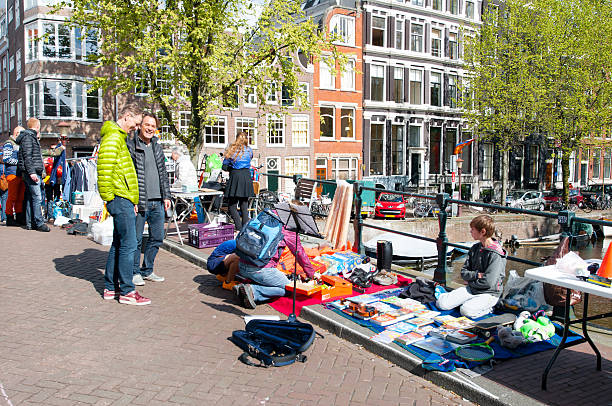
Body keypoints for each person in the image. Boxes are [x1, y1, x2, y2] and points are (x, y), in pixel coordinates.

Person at [98, 106, 150, 305]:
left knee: (119, 244)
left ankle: (110, 287)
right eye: (136, 123)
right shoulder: (113, 138)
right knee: (129, 244)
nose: (136, 127)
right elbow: (104, 171)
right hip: (119, 198)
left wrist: (132, 199)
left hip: (123, 197)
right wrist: (110, 198)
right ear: (126, 117)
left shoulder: (118, 137)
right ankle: (128, 291)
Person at [126, 112, 171, 286]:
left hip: (158, 201)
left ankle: (148, 269)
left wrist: (166, 195)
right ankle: (134, 272)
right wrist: (133, 199)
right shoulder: (131, 146)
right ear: (140, 126)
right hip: (141, 201)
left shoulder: (157, 147)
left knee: (157, 237)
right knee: (136, 239)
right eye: (147, 124)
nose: (150, 128)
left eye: (153, 125)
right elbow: (129, 176)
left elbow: (163, 174)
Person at [436, 215, 507, 318]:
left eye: (472, 229)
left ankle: (489, 308)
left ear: (482, 232)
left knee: (465, 311)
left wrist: (470, 281)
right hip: (473, 288)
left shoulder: (496, 254)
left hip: (490, 293)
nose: (470, 232)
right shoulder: (475, 248)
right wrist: (477, 275)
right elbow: (464, 272)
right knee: (441, 303)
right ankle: (467, 301)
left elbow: (489, 282)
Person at [235, 225, 315, 309]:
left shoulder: (265, 217)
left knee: (274, 278)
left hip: (242, 264)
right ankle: (253, 291)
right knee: (289, 289)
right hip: (261, 270)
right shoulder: (289, 230)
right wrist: (311, 273)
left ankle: (244, 289)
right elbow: (299, 253)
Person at [16, 118, 49, 232]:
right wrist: (32, 172)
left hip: (32, 171)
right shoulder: (29, 137)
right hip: (32, 172)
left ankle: (31, 223)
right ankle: (39, 223)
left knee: (31, 198)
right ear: (38, 126)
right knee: (37, 198)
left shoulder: (29, 137)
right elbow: (27, 157)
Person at [222, 132, 254, 231]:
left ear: (236, 138)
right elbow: (249, 159)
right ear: (246, 140)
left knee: (232, 206)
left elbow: (224, 166)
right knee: (244, 206)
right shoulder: (249, 150)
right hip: (246, 177)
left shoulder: (232, 149)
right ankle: (244, 229)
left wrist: (230, 166)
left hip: (236, 177)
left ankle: (238, 227)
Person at [3, 126, 26, 226]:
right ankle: (9, 217)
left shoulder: (18, 144)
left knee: (20, 197)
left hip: (19, 173)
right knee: (12, 197)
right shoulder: (9, 143)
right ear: (17, 133)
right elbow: (6, 158)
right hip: (12, 174)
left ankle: (19, 217)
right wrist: (20, 163)